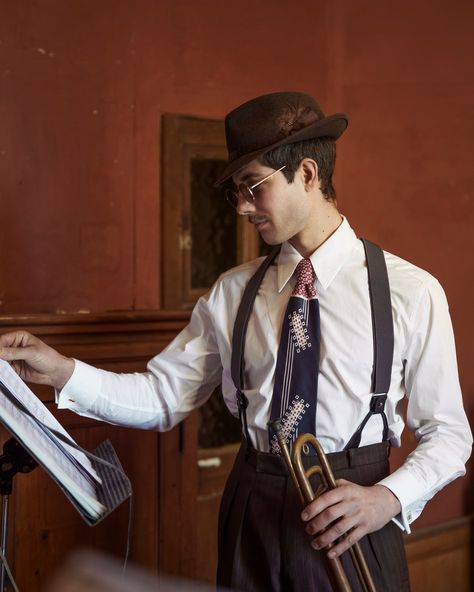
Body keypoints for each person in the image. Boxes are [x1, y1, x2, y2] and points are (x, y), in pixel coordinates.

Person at [0, 92, 471, 592]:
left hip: (357, 515)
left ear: (306, 174)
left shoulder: (411, 291)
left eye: (254, 186)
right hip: (252, 508)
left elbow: (448, 434)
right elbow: (162, 397)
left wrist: (388, 498)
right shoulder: (232, 292)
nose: (243, 207)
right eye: (237, 191)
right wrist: (61, 371)